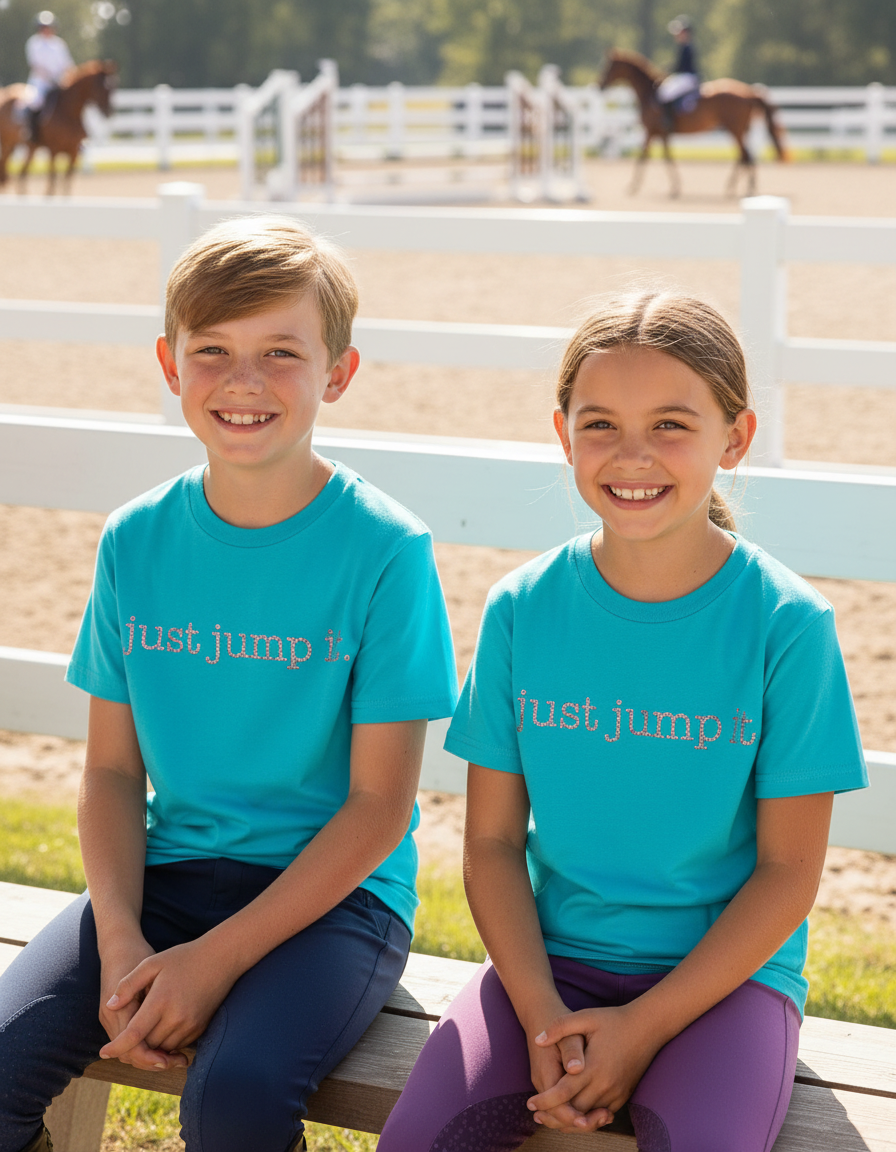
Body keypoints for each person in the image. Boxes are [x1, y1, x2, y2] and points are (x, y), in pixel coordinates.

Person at [0, 216, 458, 1152]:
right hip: (165, 878)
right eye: (212, 350)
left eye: (281, 352)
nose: (243, 380)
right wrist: (121, 939)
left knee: (233, 1098)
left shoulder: (386, 550)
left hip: (334, 902)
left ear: (338, 373)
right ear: (170, 365)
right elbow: (112, 773)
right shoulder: (136, 538)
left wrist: (211, 962)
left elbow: (380, 808)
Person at [377, 290, 868, 1152]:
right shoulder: (522, 608)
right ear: (563, 435)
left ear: (736, 438)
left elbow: (788, 873)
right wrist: (539, 1014)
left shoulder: (787, 625)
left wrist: (642, 1028)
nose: (632, 454)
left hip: (725, 985)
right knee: (418, 1140)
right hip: (547, 967)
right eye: (600, 424)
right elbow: (491, 844)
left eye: (671, 424)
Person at [23, 11, 74, 142]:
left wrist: (70, 78)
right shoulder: (34, 43)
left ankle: (76, 136)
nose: (46, 30)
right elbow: (35, 65)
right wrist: (51, 77)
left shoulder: (59, 44)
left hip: (59, 82)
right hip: (40, 82)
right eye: (43, 27)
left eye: (48, 27)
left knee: (73, 102)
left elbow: (68, 64)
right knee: (35, 102)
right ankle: (32, 132)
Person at [656, 15, 700, 131]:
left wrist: (669, 70)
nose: (677, 35)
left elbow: (681, 66)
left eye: (679, 32)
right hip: (685, 76)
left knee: (664, 92)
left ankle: (668, 121)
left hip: (688, 77)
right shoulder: (684, 46)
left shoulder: (687, 47)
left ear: (685, 33)